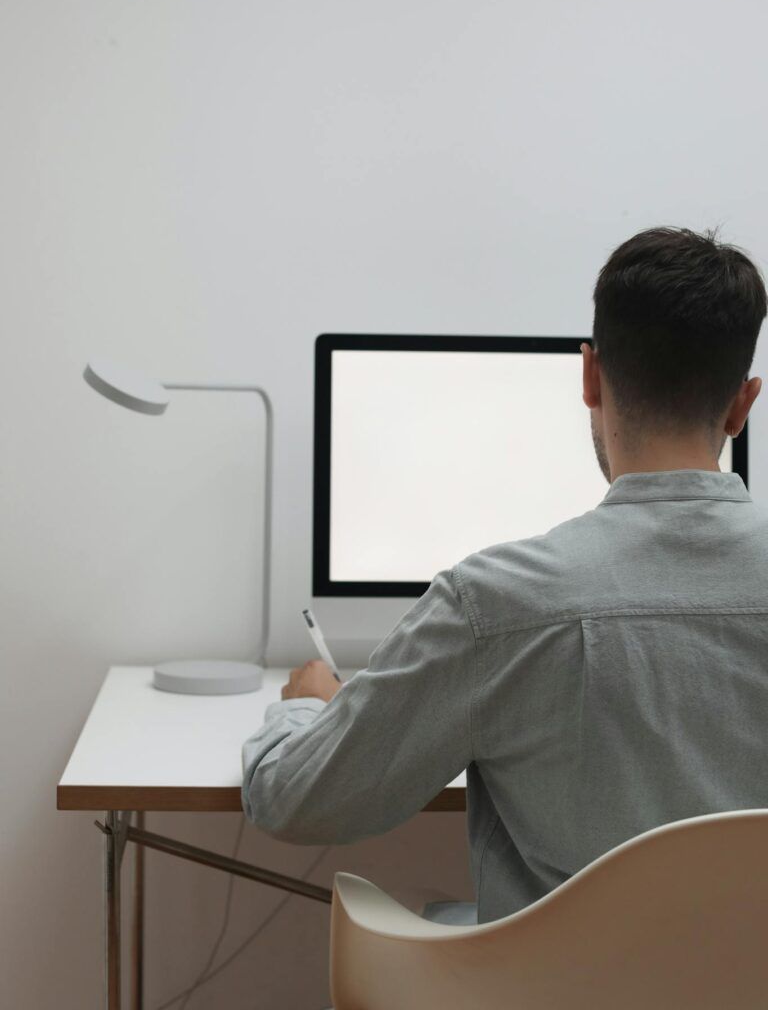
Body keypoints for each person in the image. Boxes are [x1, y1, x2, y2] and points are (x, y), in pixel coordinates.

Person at [242, 226, 768, 924]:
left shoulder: (493, 607)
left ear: (588, 376)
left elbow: (292, 799)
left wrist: (307, 706)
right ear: (743, 403)